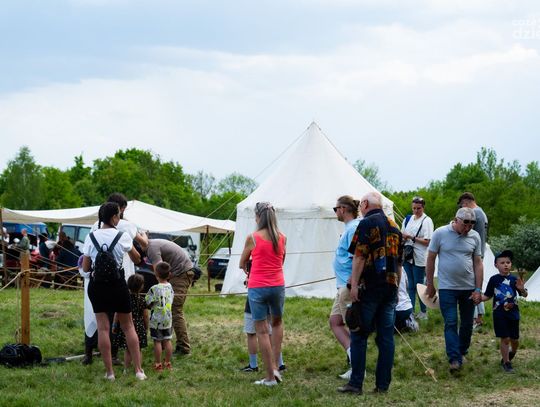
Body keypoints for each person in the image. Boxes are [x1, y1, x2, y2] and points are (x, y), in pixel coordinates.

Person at [338, 192, 403, 395]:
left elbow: (359, 257)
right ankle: (382, 385)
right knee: (386, 338)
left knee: (358, 333)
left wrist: (354, 285)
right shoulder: (395, 226)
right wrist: (397, 288)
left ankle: (356, 384)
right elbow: (399, 263)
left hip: (370, 287)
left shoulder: (366, 224)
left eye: (361, 204)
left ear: (365, 204)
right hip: (390, 287)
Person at [82, 202, 146, 381]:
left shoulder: (90, 237)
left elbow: (86, 268)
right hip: (118, 284)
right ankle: (139, 371)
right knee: (128, 326)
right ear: (113, 217)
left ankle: (109, 373)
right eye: (118, 215)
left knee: (103, 328)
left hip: (97, 286)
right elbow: (137, 258)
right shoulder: (122, 236)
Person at [425, 207, 484, 373]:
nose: (468, 228)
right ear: (456, 220)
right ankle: (454, 358)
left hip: (468, 287)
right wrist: (430, 283)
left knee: (467, 323)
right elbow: (430, 258)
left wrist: (478, 288)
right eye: (465, 224)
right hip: (447, 287)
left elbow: (478, 263)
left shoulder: (475, 236)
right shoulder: (440, 233)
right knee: (451, 322)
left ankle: (462, 351)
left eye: (472, 224)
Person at [239, 201, 287, 387]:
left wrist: (248, 270)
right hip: (278, 285)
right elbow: (281, 261)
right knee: (277, 324)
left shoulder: (252, 237)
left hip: (257, 287)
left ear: (258, 217)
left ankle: (270, 376)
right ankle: (276, 367)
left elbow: (242, 263)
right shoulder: (282, 237)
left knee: (262, 331)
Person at [146, 238, 195, 355]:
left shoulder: (151, 248)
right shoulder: (152, 244)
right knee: (169, 309)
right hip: (179, 272)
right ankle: (164, 342)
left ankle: (183, 347)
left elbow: (159, 270)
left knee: (175, 310)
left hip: (181, 273)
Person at [481, 250, 528, 373]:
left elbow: (524, 295)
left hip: (513, 314)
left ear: (511, 264)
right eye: (502, 263)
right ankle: (506, 362)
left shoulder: (514, 279)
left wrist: (522, 289)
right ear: (496, 265)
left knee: (514, 340)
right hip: (499, 314)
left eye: (508, 262)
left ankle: (513, 351)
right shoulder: (493, 280)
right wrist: (478, 298)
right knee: (505, 338)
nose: (506, 265)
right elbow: (487, 295)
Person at [329, 195, 360, 380]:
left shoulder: (353, 228)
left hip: (348, 286)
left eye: (336, 209)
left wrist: (352, 281)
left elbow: (358, 256)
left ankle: (358, 367)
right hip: (342, 285)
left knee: (353, 326)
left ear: (343, 209)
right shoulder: (349, 228)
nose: (336, 212)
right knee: (335, 322)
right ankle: (353, 358)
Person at [458, 192, 489, 329]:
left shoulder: (475, 213)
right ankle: (479, 316)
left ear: (466, 202)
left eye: (462, 206)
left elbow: (470, 234)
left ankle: (475, 318)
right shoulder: (481, 212)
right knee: (476, 283)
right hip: (479, 252)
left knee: (471, 285)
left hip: (474, 253)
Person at [401, 196, 434, 320]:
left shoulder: (427, 221)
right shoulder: (408, 219)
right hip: (407, 255)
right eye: (414, 208)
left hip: (420, 256)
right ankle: (411, 311)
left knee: (419, 285)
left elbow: (428, 241)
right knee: (409, 285)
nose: (416, 210)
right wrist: (404, 238)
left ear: (423, 207)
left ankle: (423, 311)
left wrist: (411, 237)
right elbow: (402, 234)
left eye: (418, 208)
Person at [112, 273, 149, 371]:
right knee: (138, 349)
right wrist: (146, 327)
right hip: (139, 327)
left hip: (126, 326)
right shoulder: (142, 300)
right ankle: (139, 369)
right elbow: (145, 316)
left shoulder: (124, 299)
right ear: (141, 287)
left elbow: (117, 313)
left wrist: (114, 325)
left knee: (128, 349)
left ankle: (126, 369)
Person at [239, 297, 285, 373]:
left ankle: (253, 366)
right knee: (272, 332)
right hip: (272, 297)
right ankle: (280, 364)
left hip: (255, 297)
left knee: (252, 333)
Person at [146, 261, 174, 372]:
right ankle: (167, 362)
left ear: (156, 274)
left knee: (157, 342)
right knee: (167, 340)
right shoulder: (170, 287)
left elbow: (148, 302)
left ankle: (158, 364)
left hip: (156, 321)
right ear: (169, 275)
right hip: (167, 319)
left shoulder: (154, 288)